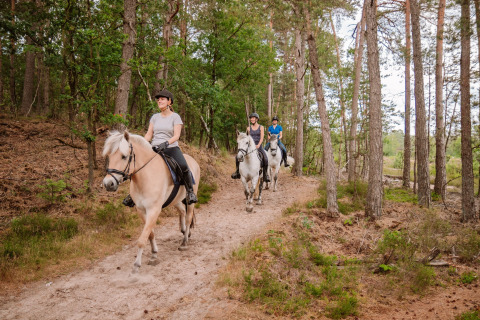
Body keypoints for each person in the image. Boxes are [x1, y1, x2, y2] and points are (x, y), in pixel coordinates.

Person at [123, 89, 198, 207]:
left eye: (162, 99)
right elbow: (149, 134)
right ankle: (132, 195)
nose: (159, 101)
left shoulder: (175, 117)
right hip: (154, 148)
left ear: (169, 102)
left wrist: (166, 144)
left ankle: (190, 192)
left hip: (171, 147)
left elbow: (176, 136)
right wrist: (142, 143)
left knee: (183, 166)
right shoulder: (154, 117)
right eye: (158, 99)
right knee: (136, 165)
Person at [231, 113, 270, 182]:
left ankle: (265, 175)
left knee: (266, 159)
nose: (252, 119)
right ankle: (237, 172)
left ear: (256, 119)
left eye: (253, 118)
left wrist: (258, 144)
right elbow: (246, 138)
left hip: (258, 146)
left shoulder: (261, 127)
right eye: (251, 118)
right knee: (237, 157)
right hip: (250, 147)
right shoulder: (248, 128)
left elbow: (262, 137)